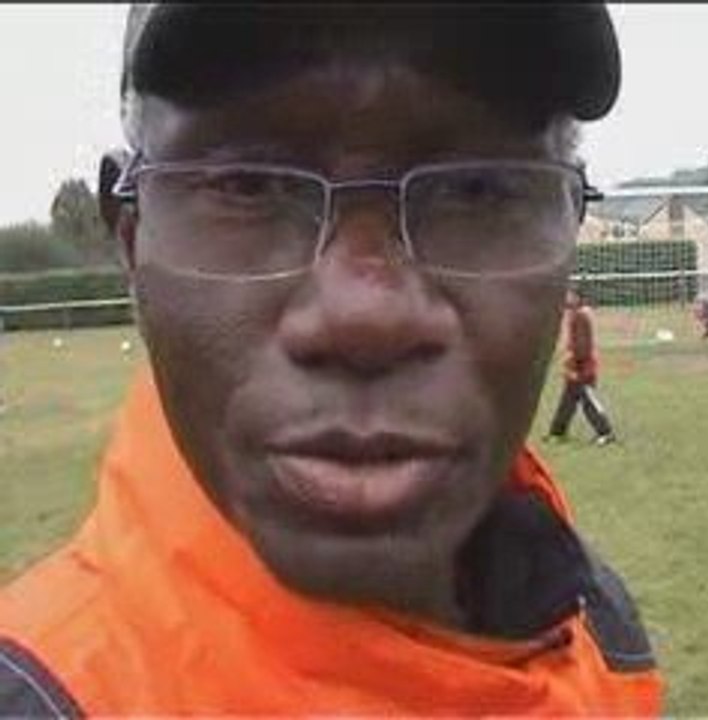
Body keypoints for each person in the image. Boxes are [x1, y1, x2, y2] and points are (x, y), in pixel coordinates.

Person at [0, 5, 662, 715]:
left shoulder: (596, 629)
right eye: (250, 185)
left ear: (572, 223)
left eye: (476, 189)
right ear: (131, 237)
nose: (365, 314)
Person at [545, 287, 617, 445]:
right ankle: (557, 433)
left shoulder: (581, 315)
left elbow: (583, 346)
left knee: (588, 402)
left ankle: (606, 432)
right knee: (567, 402)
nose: (566, 298)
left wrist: (576, 365)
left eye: (570, 295)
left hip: (583, 368)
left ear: (578, 298)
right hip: (575, 366)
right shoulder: (574, 314)